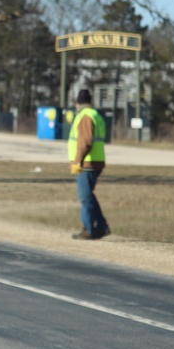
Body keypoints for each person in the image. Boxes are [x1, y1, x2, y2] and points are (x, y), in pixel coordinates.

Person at [68, 89, 111, 240]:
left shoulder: (85, 117)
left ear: (77, 103)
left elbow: (85, 142)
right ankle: (101, 226)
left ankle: (89, 229)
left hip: (87, 163)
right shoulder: (96, 115)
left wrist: (77, 161)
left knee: (85, 197)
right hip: (96, 161)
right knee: (89, 196)